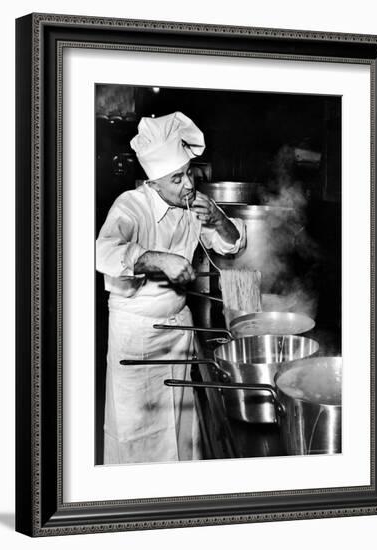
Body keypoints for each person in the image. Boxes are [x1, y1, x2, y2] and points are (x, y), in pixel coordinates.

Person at [96, 111, 246, 464]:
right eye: (177, 179)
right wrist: (157, 259)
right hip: (138, 336)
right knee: (138, 432)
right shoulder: (131, 206)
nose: (189, 185)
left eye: (189, 173)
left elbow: (232, 245)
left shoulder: (191, 203)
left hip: (178, 330)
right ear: (154, 183)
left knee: (181, 427)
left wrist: (220, 220)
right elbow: (102, 251)